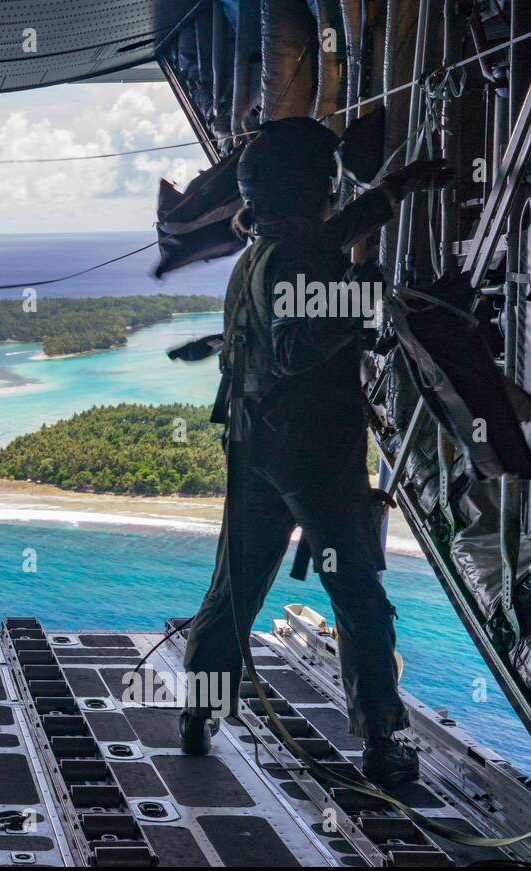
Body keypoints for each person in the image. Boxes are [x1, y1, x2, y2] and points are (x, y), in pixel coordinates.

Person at [178, 117, 449, 789]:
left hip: (256, 448)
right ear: (311, 185)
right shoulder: (299, 255)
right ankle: (386, 742)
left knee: (235, 589)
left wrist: (395, 191)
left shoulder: (264, 252)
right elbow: (298, 346)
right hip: (316, 457)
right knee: (357, 594)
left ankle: (200, 714)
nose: (334, 188)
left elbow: (328, 241)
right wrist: (365, 292)